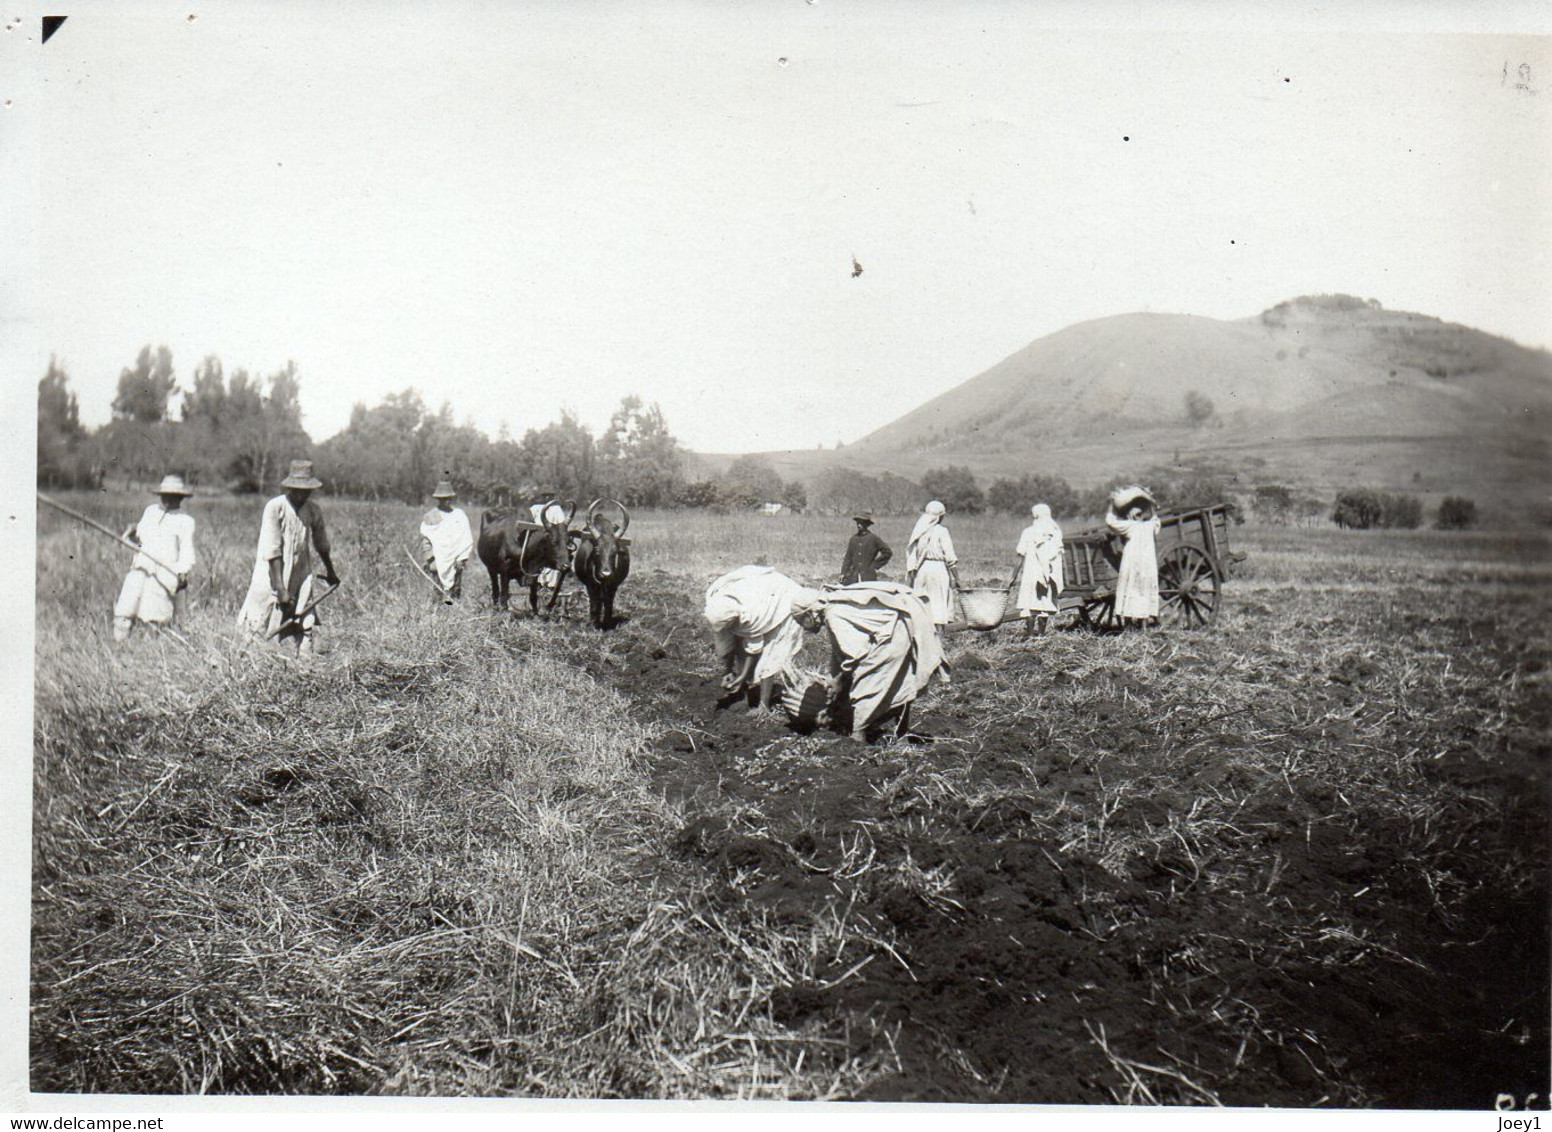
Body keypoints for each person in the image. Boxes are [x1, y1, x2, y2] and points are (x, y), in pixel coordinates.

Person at [786, 580, 946, 743]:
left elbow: (854, 655)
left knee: (865, 688)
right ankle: (901, 732)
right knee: (900, 684)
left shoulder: (833, 614)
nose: (804, 628)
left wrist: (839, 683)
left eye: (801, 622)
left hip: (892, 637)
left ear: (808, 614)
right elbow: (839, 651)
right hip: (902, 629)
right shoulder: (833, 605)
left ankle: (857, 738)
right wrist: (834, 678)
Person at [237, 460, 341, 654]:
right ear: (289, 487)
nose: (302, 494)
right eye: (297, 489)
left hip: (300, 572)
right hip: (271, 574)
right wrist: (280, 588)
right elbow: (272, 550)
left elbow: (322, 543)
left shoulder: (313, 509)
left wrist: (331, 571)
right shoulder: (275, 507)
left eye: (306, 490)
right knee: (260, 620)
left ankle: (302, 664)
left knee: (303, 620)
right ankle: (252, 661)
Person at [703, 565, 819, 713]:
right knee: (737, 643)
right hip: (760, 594)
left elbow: (753, 648)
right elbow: (726, 642)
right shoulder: (717, 603)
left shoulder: (753, 616)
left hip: (782, 601)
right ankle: (744, 688)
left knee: (772, 653)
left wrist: (742, 676)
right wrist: (727, 671)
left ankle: (763, 705)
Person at [112, 474, 197, 641]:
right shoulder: (150, 512)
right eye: (165, 495)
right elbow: (142, 536)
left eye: (174, 496)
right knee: (125, 608)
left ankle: (150, 652)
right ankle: (119, 645)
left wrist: (182, 572)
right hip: (142, 566)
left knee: (154, 613)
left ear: (180, 497)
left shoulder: (185, 520)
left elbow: (187, 550)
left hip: (165, 571)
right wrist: (133, 531)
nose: (168, 499)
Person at [1106, 485, 1162, 628]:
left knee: (1131, 589)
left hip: (1132, 563)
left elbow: (1110, 522)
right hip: (1146, 564)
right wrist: (1151, 504)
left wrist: (1111, 506)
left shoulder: (1130, 526)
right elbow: (1156, 519)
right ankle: (1141, 622)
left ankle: (1131, 622)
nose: (1136, 517)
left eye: (1136, 515)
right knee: (1143, 590)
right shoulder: (1149, 526)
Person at [1009, 502, 1064, 637]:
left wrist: (1013, 576)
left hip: (1031, 573)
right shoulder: (1055, 533)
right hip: (1048, 574)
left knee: (1030, 603)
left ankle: (1029, 635)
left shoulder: (1029, 532)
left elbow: (1020, 555)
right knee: (1045, 603)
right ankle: (1040, 635)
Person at [905, 500, 961, 627]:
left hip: (922, 570)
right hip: (938, 570)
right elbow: (950, 557)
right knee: (939, 609)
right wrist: (957, 579)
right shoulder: (942, 531)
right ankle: (938, 641)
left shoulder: (920, 531)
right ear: (940, 516)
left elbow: (912, 555)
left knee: (923, 607)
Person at [419, 479, 473, 604]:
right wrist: (430, 558)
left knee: (455, 590)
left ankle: (453, 614)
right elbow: (426, 539)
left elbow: (465, 537)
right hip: (438, 559)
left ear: (451, 498)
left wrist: (462, 558)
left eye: (448, 498)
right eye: (443, 498)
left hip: (455, 559)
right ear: (438, 499)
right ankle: (438, 615)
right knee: (438, 590)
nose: (446, 501)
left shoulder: (459, 515)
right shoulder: (431, 516)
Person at [839, 511, 892, 584]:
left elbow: (887, 552)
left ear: (866, 524)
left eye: (861, 523)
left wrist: (875, 565)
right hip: (853, 576)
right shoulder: (853, 539)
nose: (859, 525)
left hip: (868, 576)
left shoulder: (873, 538)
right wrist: (843, 573)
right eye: (858, 522)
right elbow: (848, 558)